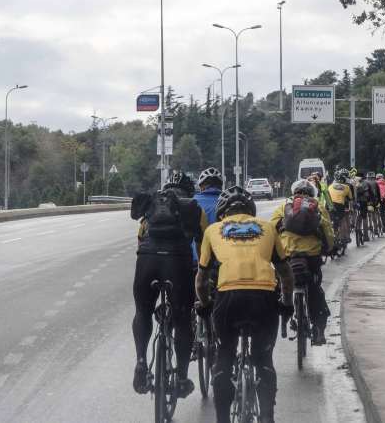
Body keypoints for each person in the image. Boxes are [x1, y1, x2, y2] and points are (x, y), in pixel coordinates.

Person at [195, 186, 294, 423]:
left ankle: (222, 419)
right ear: (251, 210)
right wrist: (287, 304)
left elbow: (201, 279)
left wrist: (206, 303)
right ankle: (267, 417)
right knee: (263, 359)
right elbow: (286, 274)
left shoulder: (212, 230)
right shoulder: (267, 227)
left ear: (222, 212)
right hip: (263, 297)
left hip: (228, 298)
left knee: (225, 356)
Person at [130, 172, 208, 398]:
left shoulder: (152, 206)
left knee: (142, 312)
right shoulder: (193, 207)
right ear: (189, 191)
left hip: (147, 260)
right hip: (177, 262)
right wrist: (204, 272)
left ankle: (141, 362)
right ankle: (182, 378)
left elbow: (140, 237)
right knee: (183, 319)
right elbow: (204, 246)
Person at [270, 179, 334, 345]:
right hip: (311, 257)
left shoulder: (283, 208)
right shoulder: (318, 206)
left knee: (280, 286)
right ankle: (319, 330)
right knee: (314, 288)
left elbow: (270, 231)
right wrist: (329, 249)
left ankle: (283, 317)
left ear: (294, 193)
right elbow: (328, 233)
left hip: (288, 255)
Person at [327, 169, 353, 244]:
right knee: (342, 220)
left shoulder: (330, 186)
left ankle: (333, 235)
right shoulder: (347, 187)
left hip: (330, 205)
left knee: (331, 220)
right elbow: (351, 200)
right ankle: (343, 237)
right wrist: (351, 209)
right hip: (340, 205)